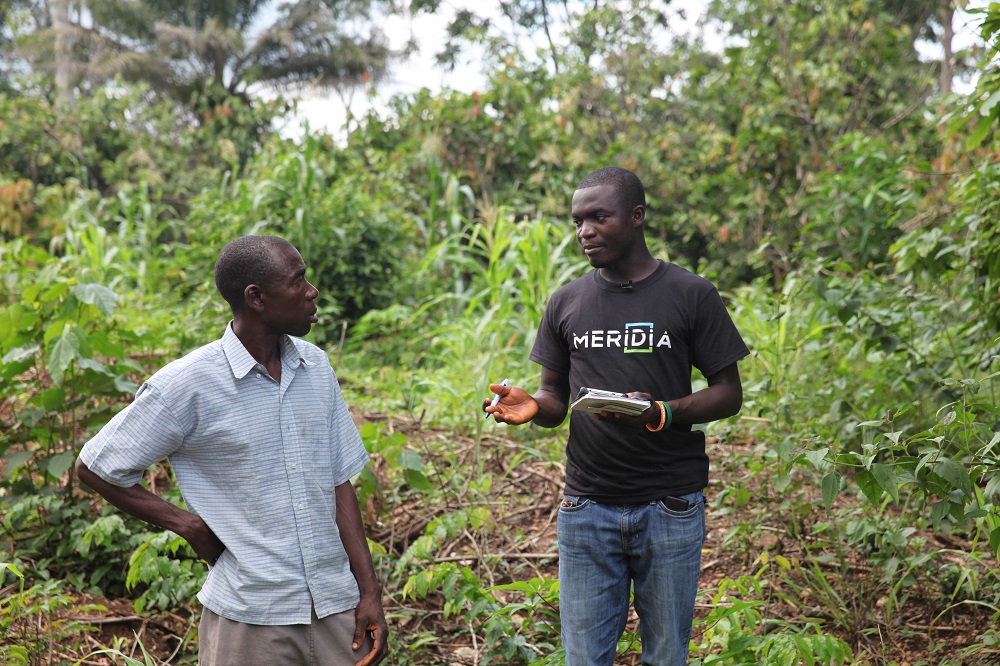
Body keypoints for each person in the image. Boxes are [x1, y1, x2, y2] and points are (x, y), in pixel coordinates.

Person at [76, 235, 388, 666]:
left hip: (337, 611)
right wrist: (189, 526)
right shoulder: (188, 385)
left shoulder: (315, 367)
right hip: (250, 621)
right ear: (256, 298)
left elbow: (340, 483)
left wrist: (369, 593)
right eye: (298, 281)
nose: (312, 291)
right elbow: (95, 466)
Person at [483, 166, 749, 666]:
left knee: (666, 656)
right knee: (584, 658)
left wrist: (661, 412)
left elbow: (728, 394)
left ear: (637, 216)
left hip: (669, 505)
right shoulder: (567, 301)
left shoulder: (691, 294)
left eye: (598, 217)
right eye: (578, 221)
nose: (585, 231)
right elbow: (555, 397)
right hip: (586, 509)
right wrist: (535, 407)